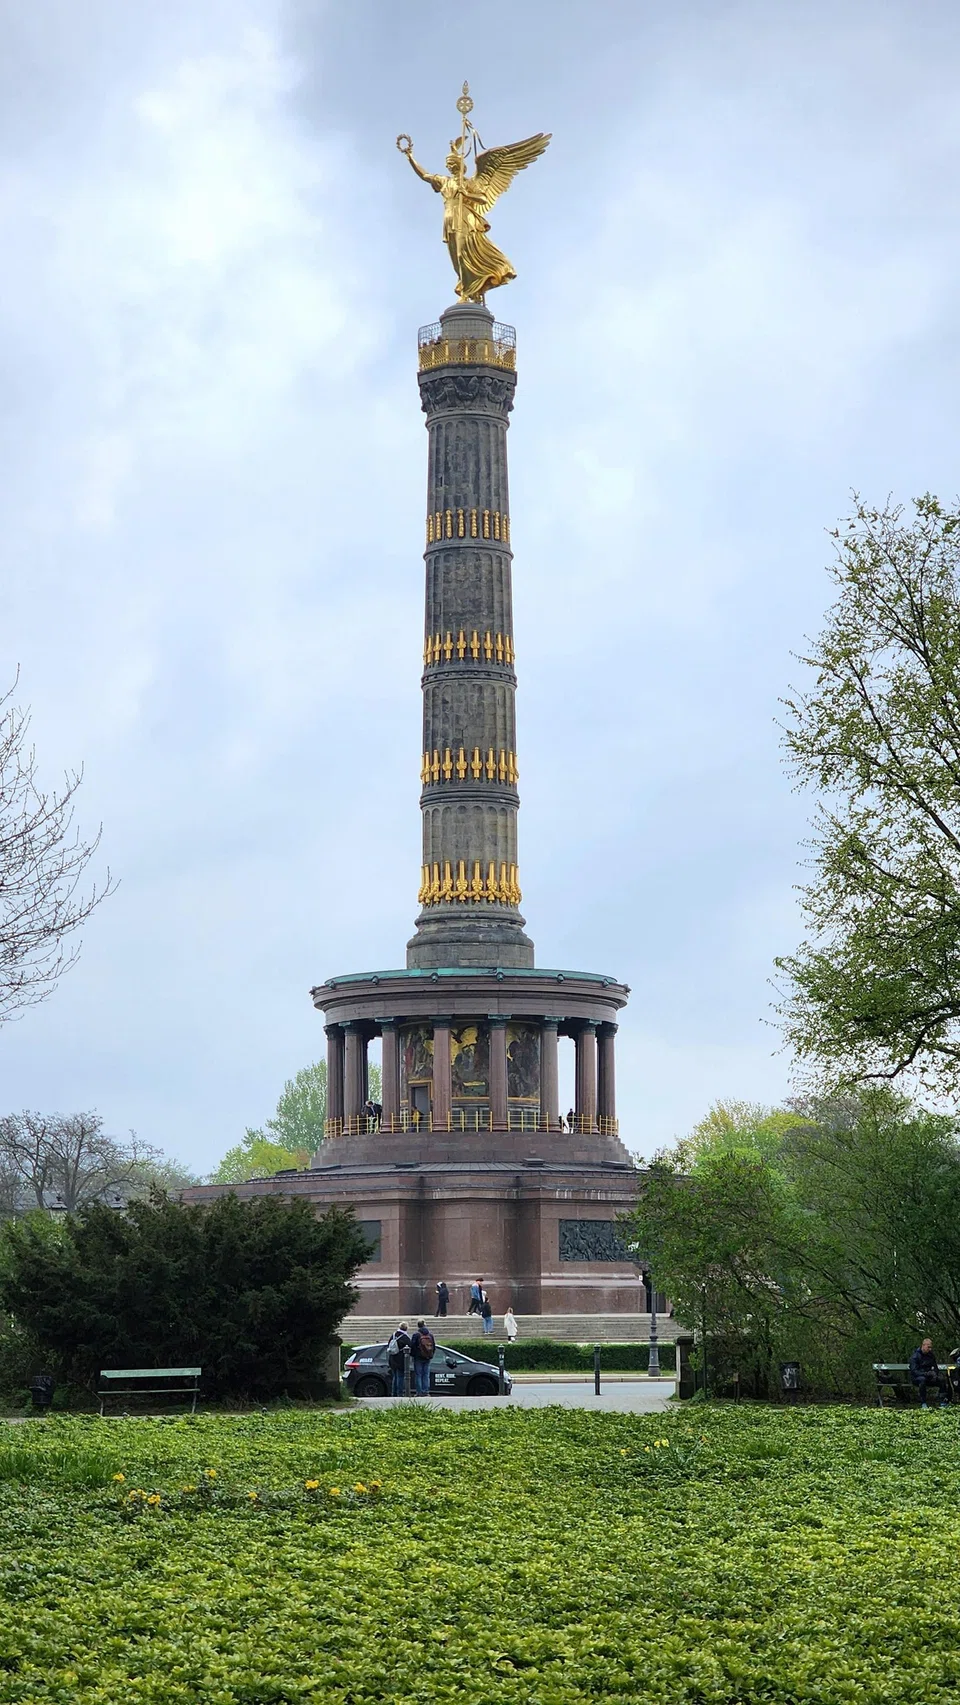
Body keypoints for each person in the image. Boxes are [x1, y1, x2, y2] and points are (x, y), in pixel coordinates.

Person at [909, 1338, 948, 1408]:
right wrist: (926, 1374)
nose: (930, 1349)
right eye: (928, 1347)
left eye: (930, 1347)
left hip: (929, 1377)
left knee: (941, 1380)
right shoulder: (915, 1356)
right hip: (917, 1377)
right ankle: (923, 1403)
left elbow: (935, 1367)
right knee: (922, 1380)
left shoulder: (931, 1355)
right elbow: (914, 1371)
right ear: (923, 1345)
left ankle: (943, 1402)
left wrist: (935, 1374)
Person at [410, 1320, 436, 1396]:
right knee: (426, 1375)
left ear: (418, 1326)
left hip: (418, 1357)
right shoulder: (430, 1335)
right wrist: (431, 1354)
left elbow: (412, 1345)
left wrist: (414, 1355)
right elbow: (433, 1346)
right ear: (425, 1325)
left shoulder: (416, 1334)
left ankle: (419, 1392)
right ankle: (426, 1392)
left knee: (418, 1375)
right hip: (427, 1357)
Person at [386, 1322, 411, 1398]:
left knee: (395, 1376)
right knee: (400, 1376)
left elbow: (389, 1344)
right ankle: (399, 1393)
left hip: (392, 1358)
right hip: (400, 1359)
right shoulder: (405, 1337)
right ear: (406, 1328)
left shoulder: (393, 1335)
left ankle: (394, 1393)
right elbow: (410, 1346)